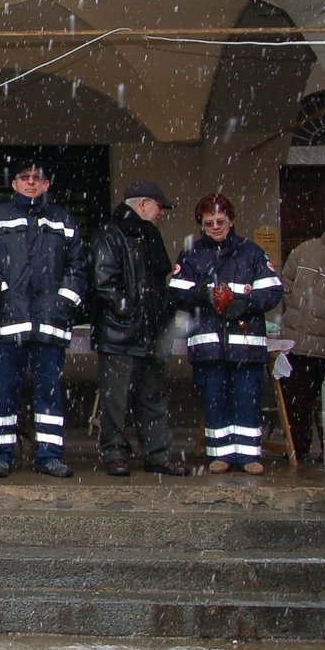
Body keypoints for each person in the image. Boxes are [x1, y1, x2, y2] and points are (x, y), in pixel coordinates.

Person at [0, 159, 87, 479]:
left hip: (49, 322)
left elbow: (78, 268)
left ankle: (49, 455)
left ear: (47, 184)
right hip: (6, 323)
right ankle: (1, 455)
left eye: (37, 178)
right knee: (4, 391)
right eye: (24, 178)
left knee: (49, 391)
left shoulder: (63, 220)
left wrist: (61, 304)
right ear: (13, 183)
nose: (30, 183)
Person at [169, 194, 284, 474]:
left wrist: (247, 303)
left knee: (247, 398)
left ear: (231, 221)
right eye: (209, 223)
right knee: (215, 398)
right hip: (208, 344)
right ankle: (219, 455)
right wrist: (201, 293)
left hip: (246, 342)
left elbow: (273, 291)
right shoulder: (191, 254)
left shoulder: (252, 252)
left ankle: (249, 456)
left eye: (220, 221)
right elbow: (175, 291)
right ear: (201, 225)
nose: (216, 227)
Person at [90, 181, 190, 477]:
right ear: (144, 204)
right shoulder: (112, 234)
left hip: (145, 330)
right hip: (123, 332)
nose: (162, 213)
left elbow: (153, 285)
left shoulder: (143, 234)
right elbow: (103, 283)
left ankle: (155, 453)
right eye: (160, 206)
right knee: (117, 400)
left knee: (151, 397)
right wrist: (130, 310)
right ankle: (116, 453)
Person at [279, 216, 325, 463]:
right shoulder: (306, 249)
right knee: (296, 400)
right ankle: (298, 449)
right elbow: (285, 281)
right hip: (296, 341)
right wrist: (295, 307)